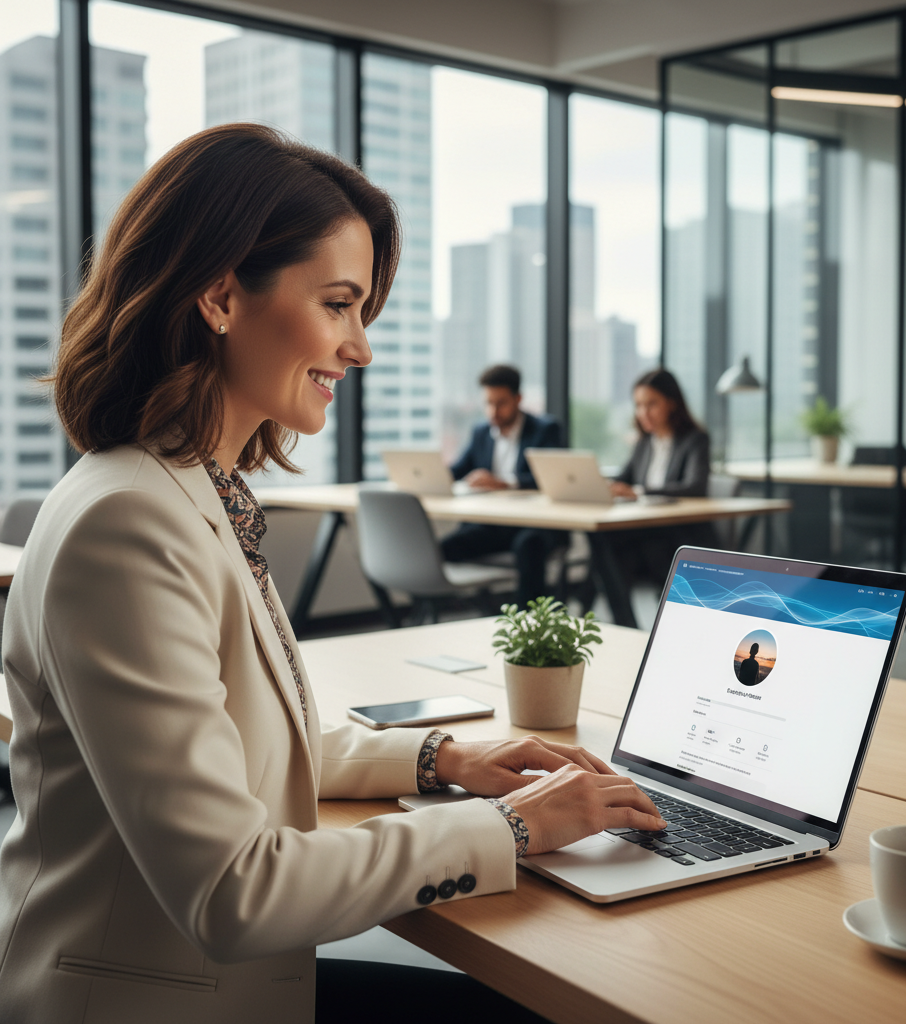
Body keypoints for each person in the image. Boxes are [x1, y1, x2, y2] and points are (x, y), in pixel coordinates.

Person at [0, 124, 665, 1024]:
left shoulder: (193, 486)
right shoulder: (130, 522)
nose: (361, 348)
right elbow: (235, 891)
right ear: (220, 295)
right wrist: (521, 825)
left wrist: (445, 759)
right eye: (340, 304)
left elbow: (242, 741)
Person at [442, 364, 565, 605]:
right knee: (443, 549)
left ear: (518, 399)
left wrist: (505, 483)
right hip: (494, 524)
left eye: (501, 403)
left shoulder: (545, 430)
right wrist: (433, 476)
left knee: (528, 546)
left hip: (535, 525)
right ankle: (472, 612)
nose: (493, 411)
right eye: (488, 403)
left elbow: (553, 478)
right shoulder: (481, 432)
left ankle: (528, 622)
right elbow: (459, 470)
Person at [607, 368, 716, 585]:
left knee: (618, 547)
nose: (643, 412)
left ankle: (613, 614)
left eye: (652, 404)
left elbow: (695, 487)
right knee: (604, 543)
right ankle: (618, 615)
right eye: (638, 405)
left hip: (680, 533)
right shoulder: (644, 443)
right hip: (646, 529)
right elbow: (623, 479)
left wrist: (639, 491)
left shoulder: (695, 440)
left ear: (672, 403)